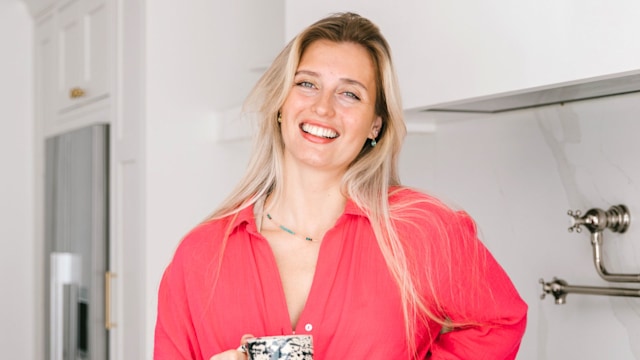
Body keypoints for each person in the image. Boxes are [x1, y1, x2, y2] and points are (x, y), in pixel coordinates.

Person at [154, 12, 527, 360]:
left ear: (375, 126)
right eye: (306, 84)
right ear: (281, 103)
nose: (323, 108)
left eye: (350, 93)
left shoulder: (424, 231)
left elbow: (500, 322)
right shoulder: (200, 256)